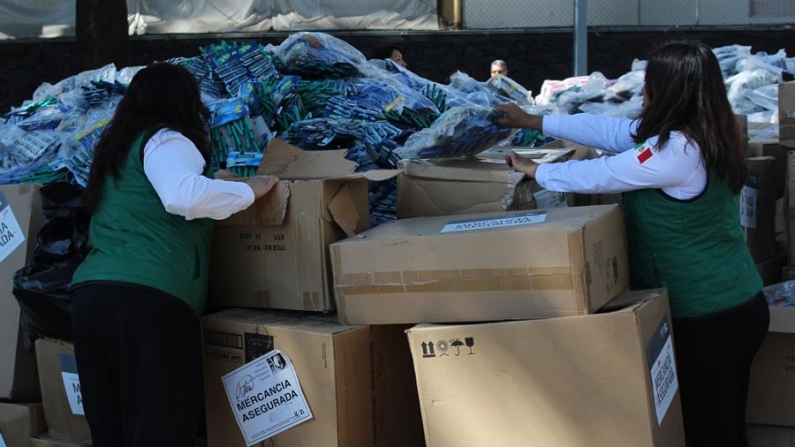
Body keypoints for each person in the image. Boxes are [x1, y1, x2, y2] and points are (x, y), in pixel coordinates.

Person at [494, 40, 768, 447]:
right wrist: (536, 121)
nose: (643, 94)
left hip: (708, 317)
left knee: (710, 430)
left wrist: (538, 171)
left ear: (670, 90)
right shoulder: (707, 133)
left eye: (650, 85)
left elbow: (605, 173)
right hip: (736, 303)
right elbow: (610, 130)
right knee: (722, 423)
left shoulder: (678, 151)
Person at [70, 63, 279, 447]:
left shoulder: (116, 152)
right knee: (159, 426)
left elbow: (158, 196)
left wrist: (217, 183)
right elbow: (181, 194)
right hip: (148, 301)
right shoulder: (165, 139)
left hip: (92, 297)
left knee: (112, 428)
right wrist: (250, 190)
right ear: (183, 102)